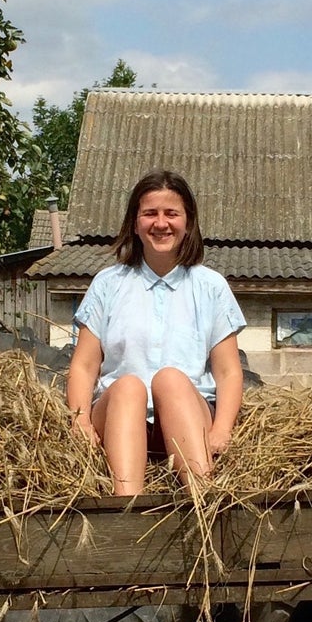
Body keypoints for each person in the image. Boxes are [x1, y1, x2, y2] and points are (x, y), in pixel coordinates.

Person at [66, 168, 245, 496]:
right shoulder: (108, 284)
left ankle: (204, 503)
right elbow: (84, 365)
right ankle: (126, 509)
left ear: (187, 222)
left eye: (171, 214)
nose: (160, 223)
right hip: (118, 416)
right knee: (129, 387)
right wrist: (80, 421)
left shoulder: (211, 287)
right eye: (150, 213)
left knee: (171, 379)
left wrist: (221, 429)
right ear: (135, 223)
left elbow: (228, 371)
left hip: (188, 417)